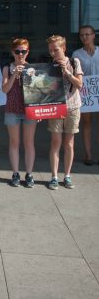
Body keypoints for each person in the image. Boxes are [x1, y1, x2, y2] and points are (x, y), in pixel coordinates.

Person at [47, 35, 83, 190]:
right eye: (51, 51)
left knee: (69, 143)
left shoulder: (74, 62)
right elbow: (45, 91)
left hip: (73, 107)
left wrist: (67, 72)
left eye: (56, 50)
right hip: (56, 108)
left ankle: (67, 175)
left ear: (64, 48)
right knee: (56, 142)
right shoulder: (49, 66)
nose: (53, 53)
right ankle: (54, 176)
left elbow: (79, 84)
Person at [1, 38, 37, 188]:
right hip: (12, 109)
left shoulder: (34, 68)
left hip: (29, 110)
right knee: (14, 142)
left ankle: (29, 173)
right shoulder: (7, 68)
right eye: (17, 51)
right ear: (13, 52)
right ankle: (15, 173)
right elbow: (5, 90)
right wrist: (14, 75)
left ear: (27, 52)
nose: (20, 54)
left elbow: (38, 92)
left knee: (29, 142)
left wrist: (38, 111)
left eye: (23, 51)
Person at [72, 25, 99, 165]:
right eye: (82, 35)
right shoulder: (77, 54)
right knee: (86, 122)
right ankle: (88, 155)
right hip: (86, 93)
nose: (85, 37)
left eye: (88, 34)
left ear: (93, 35)